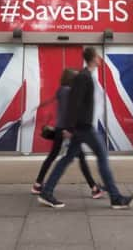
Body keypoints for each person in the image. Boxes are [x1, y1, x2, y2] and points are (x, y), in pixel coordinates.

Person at [38, 47, 133, 209]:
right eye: (97, 56)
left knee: (66, 160)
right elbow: (74, 103)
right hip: (83, 127)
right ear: (93, 58)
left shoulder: (86, 76)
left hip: (80, 127)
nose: (100, 58)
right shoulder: (83, 77)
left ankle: (46, 192)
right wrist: (70, 127)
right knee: (102, 156)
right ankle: (116, 198)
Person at [31, 68, 103, 199]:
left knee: (53, 156)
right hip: (69, 130)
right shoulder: (69, 92)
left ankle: (37, 184)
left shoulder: (61, 90)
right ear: (71, 79)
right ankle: (94, 188)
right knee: (81, 159)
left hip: (60, 129)